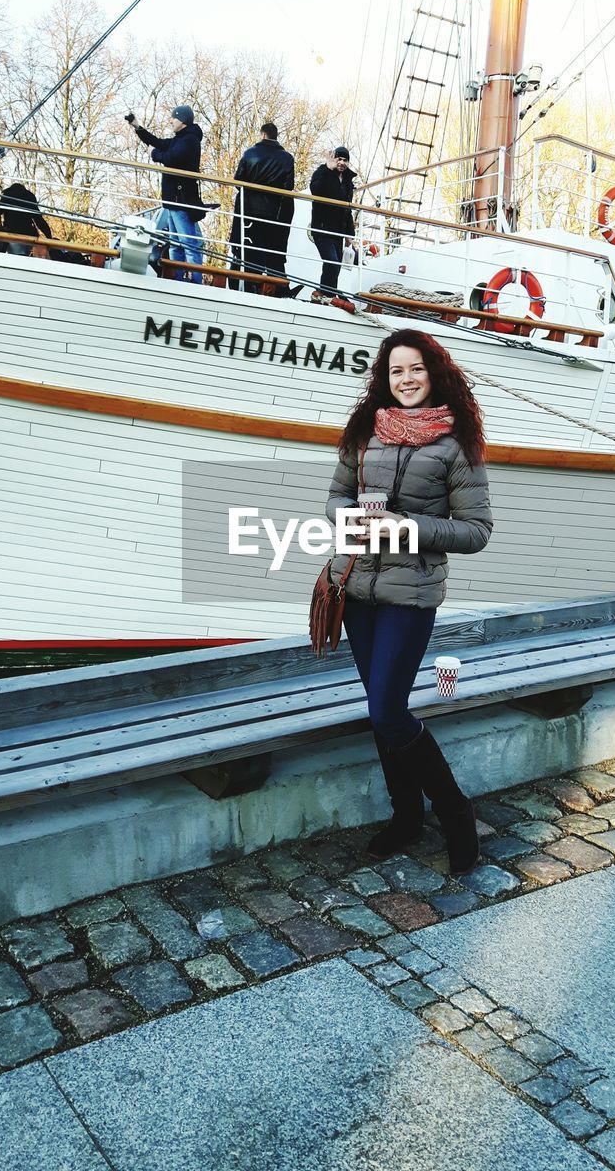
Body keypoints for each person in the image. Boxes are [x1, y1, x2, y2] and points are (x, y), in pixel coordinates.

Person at [325, 329, 493, 872]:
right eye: (396, 371)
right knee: (382, 715)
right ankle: (405, 817)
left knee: (388, 710)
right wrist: (353, 520)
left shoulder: (455, 446)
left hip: (410, 594)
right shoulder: (364, 433)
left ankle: (454, 813)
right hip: (356, 590)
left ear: (434, 372)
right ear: (385, 377)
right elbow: (334, 499)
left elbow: (475, 531)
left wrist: (405, 525)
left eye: (415, 369)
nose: (406, 380)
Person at [127, 106, 205, 284]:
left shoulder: (189, 140)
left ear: (183, 120)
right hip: (173, 200)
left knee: (188, 243)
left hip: (181, 199)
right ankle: (178, 279)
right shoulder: (181, 139)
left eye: (173, 118)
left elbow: (171, 158)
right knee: (176, 243)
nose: (170, 120)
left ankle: (196, 282)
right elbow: (158, 142)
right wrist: (137, 127)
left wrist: (154, 154)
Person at [231, 122, 295, 282]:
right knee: (272, 253)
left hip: (249, 211)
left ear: (262, 134)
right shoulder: (287, 158)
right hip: (274, 213)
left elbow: (238, 180)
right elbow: (289, 186)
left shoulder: (250, 154)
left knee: (249, 251)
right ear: (276, 136)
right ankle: (276, 287)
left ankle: (248, 284)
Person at [309, 146, 356, 294]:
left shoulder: (348, 181)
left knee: (334, 267)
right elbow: (315, 189)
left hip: (337, 232)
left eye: (345, 160)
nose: (341, 163)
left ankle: (328, 294)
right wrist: (327, 169)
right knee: (332, 262)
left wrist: (349, 235)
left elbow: (346, 210)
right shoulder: (322, 172)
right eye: (339, 159)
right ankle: (325, 293)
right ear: (334, 159)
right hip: (322, 228)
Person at [0, 183, 53, 256]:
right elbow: (39, 220)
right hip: (29, 234)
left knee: (16, 258)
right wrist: (49, 237)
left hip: (12, 233)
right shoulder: (29, 196)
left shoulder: (9, 194)